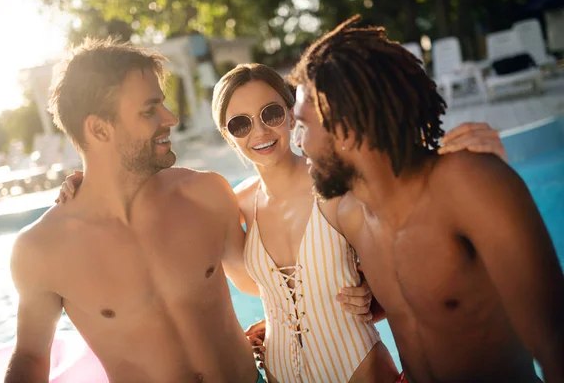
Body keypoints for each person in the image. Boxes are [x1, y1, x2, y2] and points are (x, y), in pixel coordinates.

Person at [59, 60, 507, 382]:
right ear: (227, 135)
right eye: (240, 123)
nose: (260, 131)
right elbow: (151, 209)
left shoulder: (338, 185)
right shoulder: (231, 206)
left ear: (290, 112)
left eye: (271, 113)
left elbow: (418, 240)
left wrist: (458, 160)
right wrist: (91, 180)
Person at [289, 15, 564, 383]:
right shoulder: (350, 215)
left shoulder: (467, 185)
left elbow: (555, 344)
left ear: (347, 132)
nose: (297, 142)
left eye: (303, 125)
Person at [5, 38, 272, 383]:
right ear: (99, 129)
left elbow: (260, 282)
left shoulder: (205, 194)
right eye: (150, 110)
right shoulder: (41, 250)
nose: (171, 118)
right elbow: (31, 356)